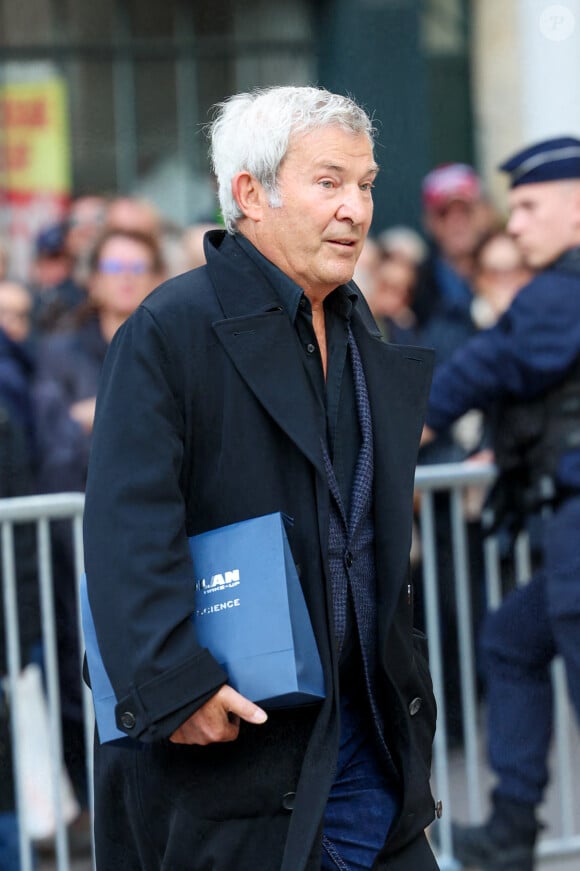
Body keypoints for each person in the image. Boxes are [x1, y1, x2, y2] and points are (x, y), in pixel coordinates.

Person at [83, 85, 439, 871]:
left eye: (367, 183)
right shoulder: (170, 326)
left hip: (368, 743)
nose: (356, 208)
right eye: (329, 182)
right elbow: (126, 527)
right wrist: (177, 686)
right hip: (240, 761)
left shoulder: (355, 323)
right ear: (251, 193)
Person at [423, 135, 580, 871]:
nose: (512, 226)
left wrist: (385, 430)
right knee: (512, 640)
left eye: (527, 206)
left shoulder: (558, 293)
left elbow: (468, 377)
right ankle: (515, 825)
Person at [32, 227, 165, 841]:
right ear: (93, 277)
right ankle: (100, 809)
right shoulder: (61, 351)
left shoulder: (169, 337)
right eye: (114, 264)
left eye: (139, 265)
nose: (126, 276)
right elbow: (56, 442)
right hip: (77, 538)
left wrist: (95, 415)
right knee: (83, 673)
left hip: (158, 536)